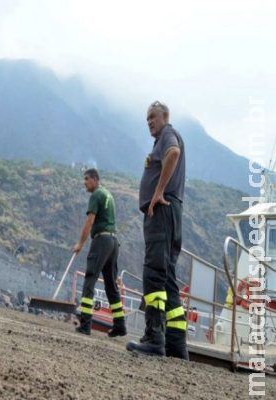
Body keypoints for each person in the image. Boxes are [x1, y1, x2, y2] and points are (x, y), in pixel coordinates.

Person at [126, 101, 188, 359]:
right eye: (147, 119)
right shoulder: (164, 136)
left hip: (162, 210)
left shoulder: (167, 135)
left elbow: (172, 153)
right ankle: (176, 344)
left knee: (154, 272)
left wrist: (158, 191)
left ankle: (154, 337)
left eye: (153, 117)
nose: (149, 121)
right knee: (168, 277)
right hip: (171, 212)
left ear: (166, 117)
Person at [72, 168, 126, 337]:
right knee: (111, 284)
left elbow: (90, 221)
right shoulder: (108, 194)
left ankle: (86, 324)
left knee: (90, 278)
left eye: (87, 179)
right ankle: (120, 325)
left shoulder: (96, 195)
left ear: (95, 179)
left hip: (101, 241)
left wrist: (80, 243)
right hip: (113, 242)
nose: (85, 182)